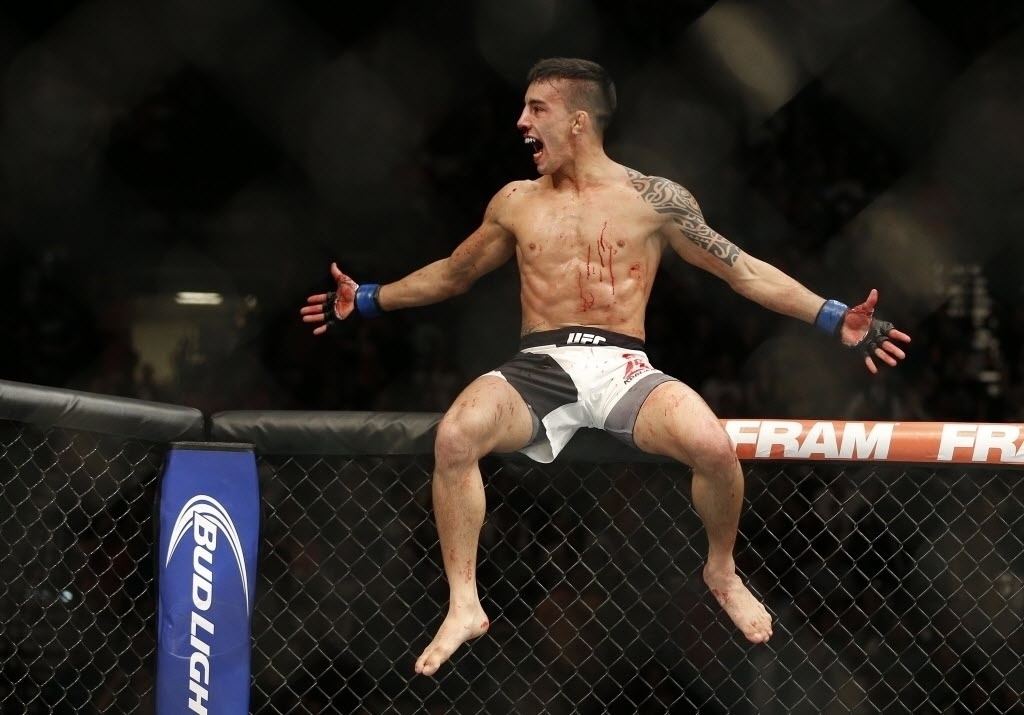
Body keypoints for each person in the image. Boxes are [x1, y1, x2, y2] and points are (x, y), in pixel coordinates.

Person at [300, 57, 912, 676]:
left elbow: (743, 270)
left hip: (624, 365)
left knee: (712, 445)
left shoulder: (653, 199)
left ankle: (721, 569)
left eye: (537, 109)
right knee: (457, 435)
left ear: (578, 121)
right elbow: (455, 272)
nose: (521, 122)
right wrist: (371, 298)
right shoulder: (515, 201)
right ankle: (464, 602)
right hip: (538, 366)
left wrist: (835, 316)